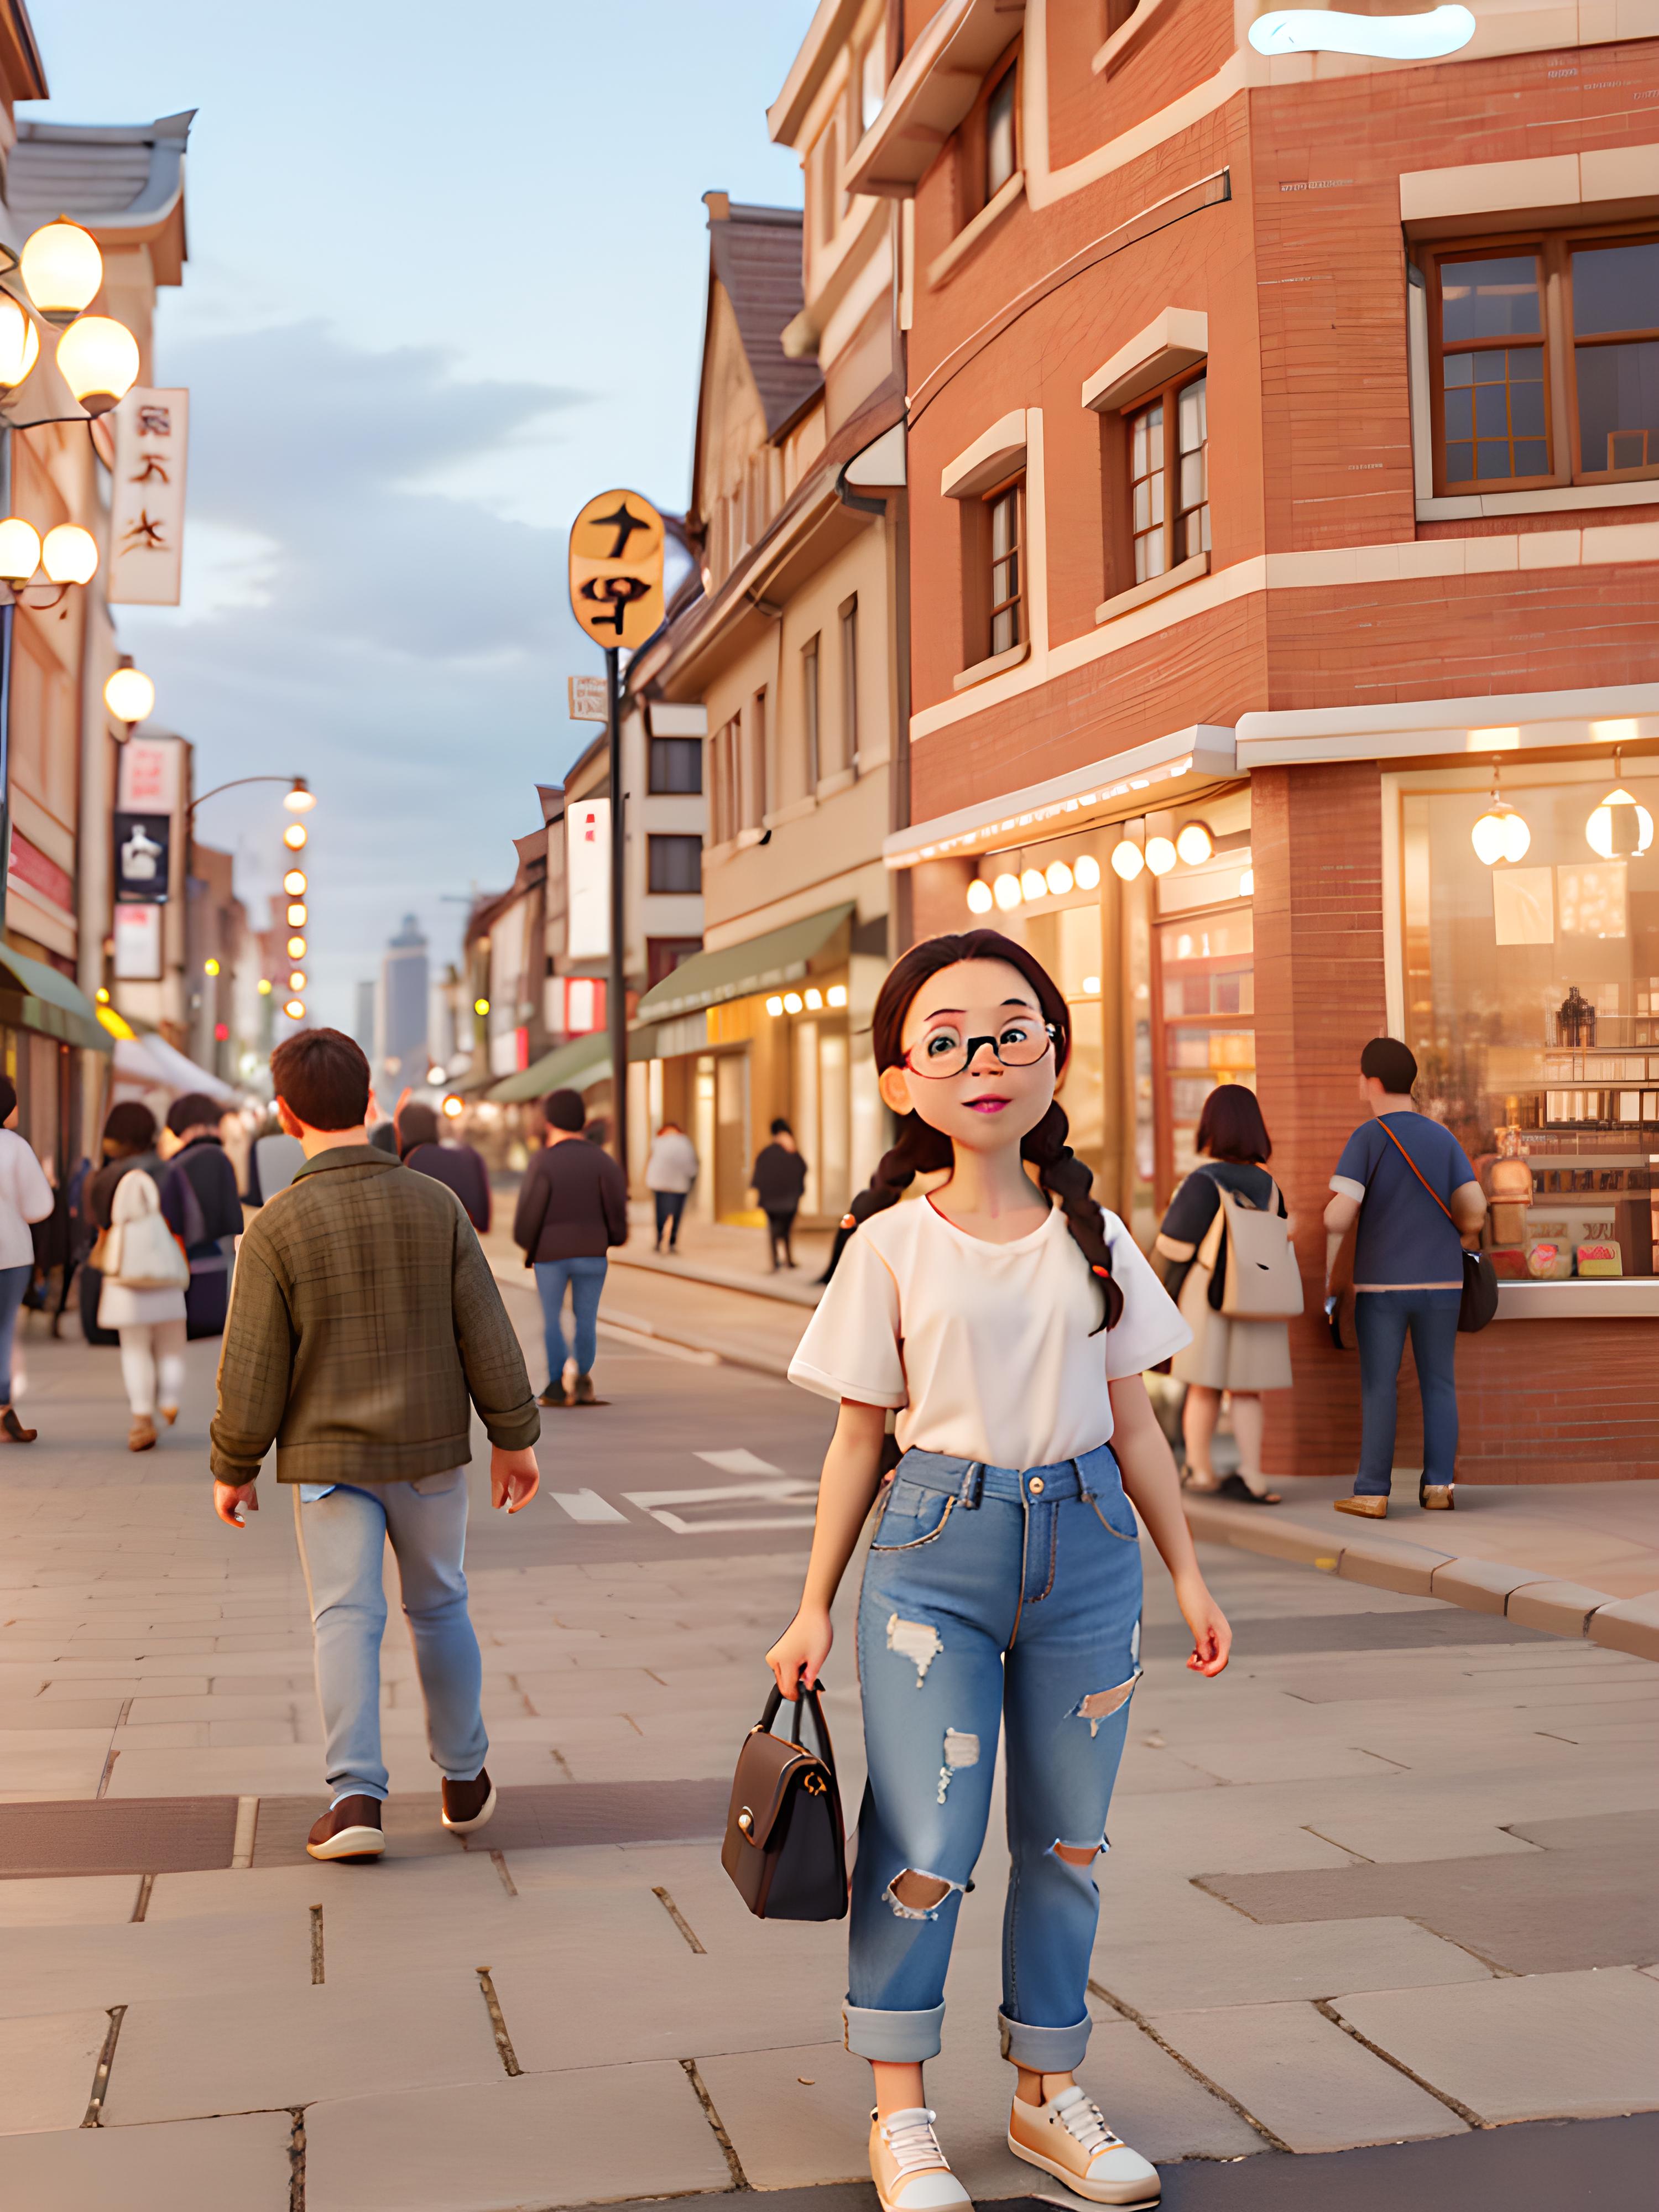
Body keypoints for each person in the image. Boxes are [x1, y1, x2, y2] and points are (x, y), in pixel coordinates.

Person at [767, 928, 1230, 2212]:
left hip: (1089, 1552)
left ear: (1053, 1053)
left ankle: (1043, 2097)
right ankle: (901, 2112)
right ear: (897, 1077)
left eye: (1012, 1027)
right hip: (932, 1556)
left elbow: (1133, 1418)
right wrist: (809, 1606)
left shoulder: (1095, 1238)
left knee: (1069, 1842)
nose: (985, 1057)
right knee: (925, 1837)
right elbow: (856, 1435)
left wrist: (1186, 1573)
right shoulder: (887, 1246)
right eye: (948, 1037)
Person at [209, 1027, 540, 1864]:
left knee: (344, 1620)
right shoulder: (436, 1204)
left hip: (327, 1463)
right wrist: (514, 1437)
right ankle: (464, 1779)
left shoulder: (278, 1225)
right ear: (371, 1103)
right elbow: (487, 1334)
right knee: (440, 1607)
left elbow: (253, 1365)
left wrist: (234, 1464)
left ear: (285, 1116)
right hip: (429, 1450)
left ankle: (355, 1796)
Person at [1324, 1037, 1486, 1518]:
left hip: (1382, 1285)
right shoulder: (1443, 1137)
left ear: (1372, 1081)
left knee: (1380, 1383)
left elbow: (1338, 1217)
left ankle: (1373, 1491)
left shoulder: (1368, 1137)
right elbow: (1473, 1211)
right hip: (1442, 1282)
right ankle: (1439, 1487)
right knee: (1440, 1381)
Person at [1155, 1086, 1296, 1506]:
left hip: (1210, 1295)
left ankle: (1201, 1471)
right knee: (1248, 1391)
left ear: (1210, 1126)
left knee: (1205, 1386)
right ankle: (1252, 1474)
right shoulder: (1269, 1185)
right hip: (1259, 1297)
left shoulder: (1204, 1181)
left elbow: (1174, 1247)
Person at [513, 1088, 628, 1407]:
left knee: (552, 1319)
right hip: (593, 1253)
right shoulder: (603, 1162)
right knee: (586, 1318)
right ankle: (582, 1378)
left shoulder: (544, 1162)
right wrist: (612, 1238)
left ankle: (554, 1385)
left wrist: (530, 1243)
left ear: (550, 1120)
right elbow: (617, 1210)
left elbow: (528, 1213)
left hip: (550, 1255)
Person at [98, 1161, 189, 1452]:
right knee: (171, 1348)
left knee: (135, 1352)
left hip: (127, 1298)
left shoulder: (118, 1231)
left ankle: (142, 1418)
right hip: (168, 1292)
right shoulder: (161, 1225)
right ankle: (169, 1402)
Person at [159, 1095, 243, 1339]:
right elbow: (231, 1215)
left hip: (179, 1252)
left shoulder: (175, 1162)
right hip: (212, 1254)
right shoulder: (216, 1157)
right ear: (202, 1124)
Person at [0, 1077, 53, 1442]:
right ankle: (3, 1412)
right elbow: (40, 1207)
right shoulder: (15, 1147)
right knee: (4, 1333)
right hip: (11, 1252)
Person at [398, 1099, 491, 1232]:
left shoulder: (409, 1162)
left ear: (403, 1131)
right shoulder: (471, 1157)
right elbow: (482, 1221)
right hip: (466, 1240)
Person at [752, 1118, 808, 1270]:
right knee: (786, 1230)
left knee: (773, 1230)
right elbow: (803, 1169)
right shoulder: (792, 1153)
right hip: (789, 1200)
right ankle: (788, 1260)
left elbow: (757, 1177)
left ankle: (775, 1261)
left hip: (770, 1199)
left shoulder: (766, 1153)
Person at [644, 1120, 698, 1253]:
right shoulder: (684, 1143)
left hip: (659, 1185)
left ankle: (659, 1240)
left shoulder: (658, 1142)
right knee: (676, 1215)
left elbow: (651, 1163)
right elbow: (690, 1166)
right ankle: (672, 1242)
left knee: (660, 1214)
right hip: (679, 1186)